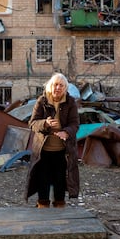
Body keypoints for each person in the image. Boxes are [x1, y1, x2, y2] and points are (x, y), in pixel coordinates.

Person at [25, 73, 80, 208]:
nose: (58, 88)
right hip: (43, 150)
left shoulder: (70, 102)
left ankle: (59, 207)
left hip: (63, 149)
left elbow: (75, 124)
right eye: (55, 84)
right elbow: (32, 123)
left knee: (60, 179)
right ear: (51, 86)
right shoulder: (42, 101)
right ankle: (42, 206)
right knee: (42, 179)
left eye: (61, 85)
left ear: (65, 88)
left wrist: (67, 133)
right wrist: (45, 123)